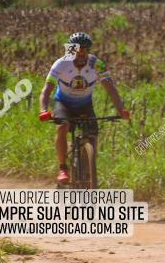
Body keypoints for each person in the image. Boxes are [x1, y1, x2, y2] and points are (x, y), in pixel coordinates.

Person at [38, 32, 129, 184]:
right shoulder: (61, 63)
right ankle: (63, 168)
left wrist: (121, 109)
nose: (80, 54)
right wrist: (43, 110)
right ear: (71, 50)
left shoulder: (97, 64)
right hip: (63, 103)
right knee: (62, 126)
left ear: (88, 51)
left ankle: (89, 169)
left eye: (84, 50)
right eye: (77, 50)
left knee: (93, 136)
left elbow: (110, 89)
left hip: (84, 104)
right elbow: (46, 90)